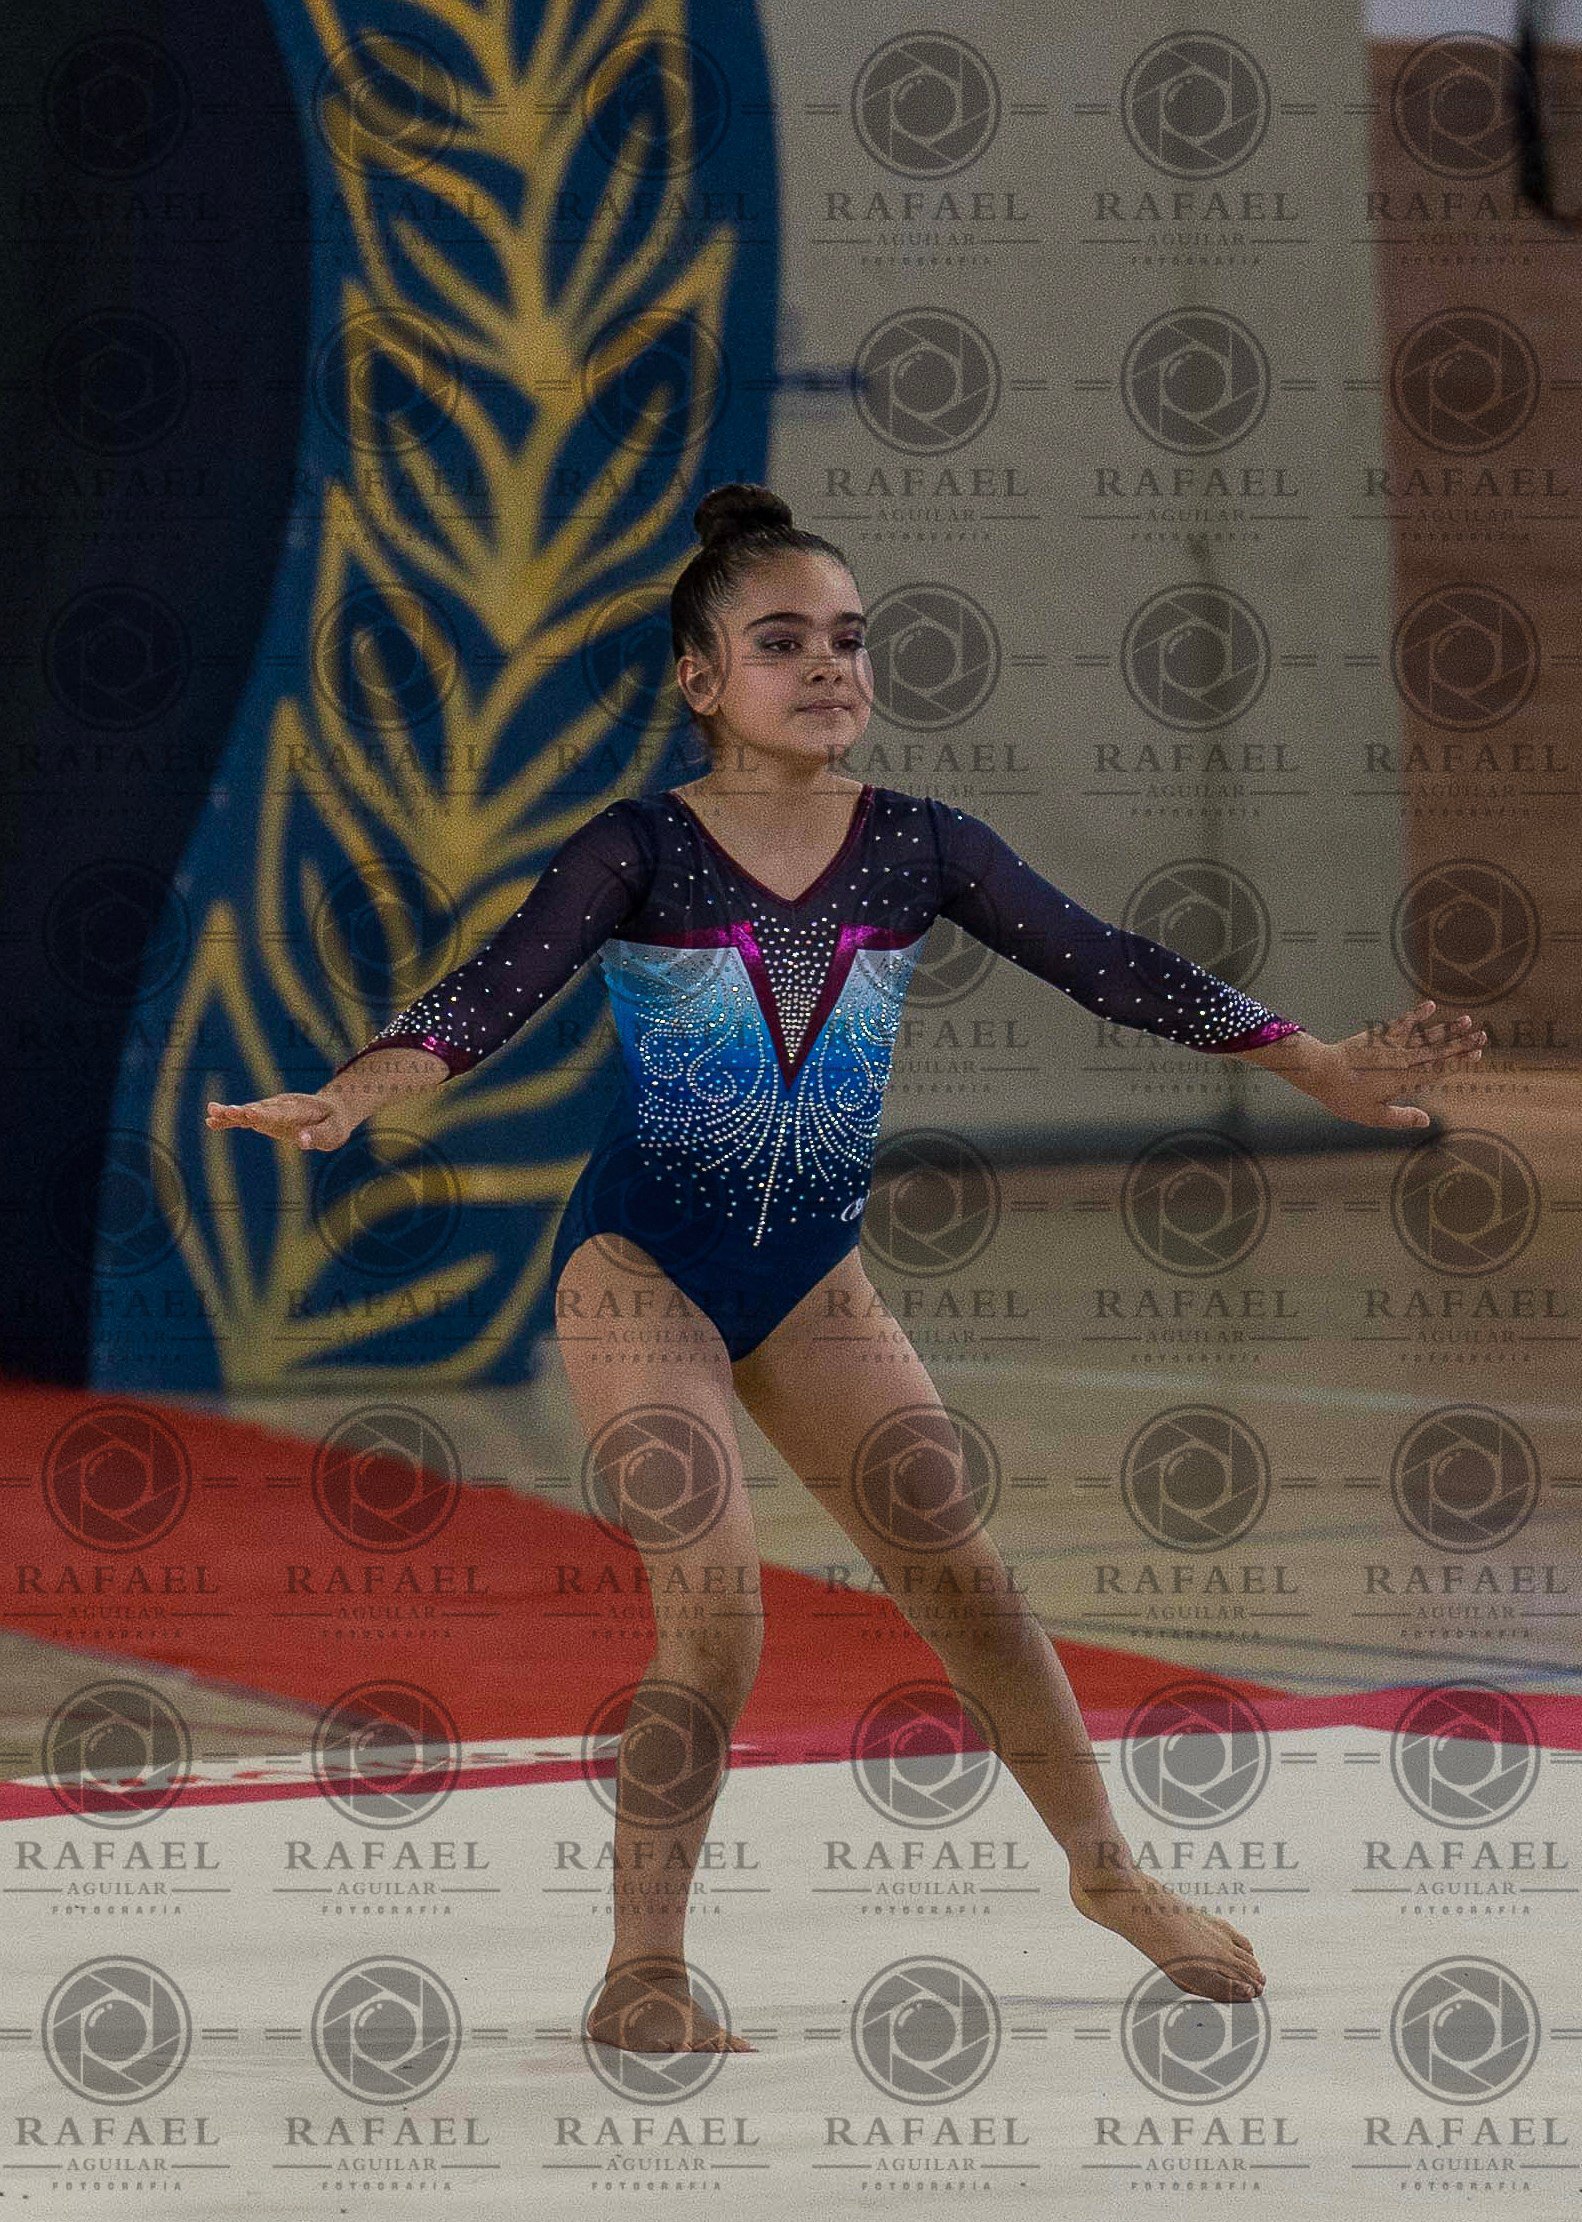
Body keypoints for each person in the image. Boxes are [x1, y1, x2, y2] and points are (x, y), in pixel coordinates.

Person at [209, 482, 1486, 2054]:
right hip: (643, 1271)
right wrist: (355, 1091)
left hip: (812, 1275)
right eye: (779, 641)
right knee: (718, 1616)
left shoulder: (917, 846)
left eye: (848, 638)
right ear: (700, 678)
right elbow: (489, 993)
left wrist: (1318, 1063)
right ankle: (641, 1970)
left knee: (969, 1578)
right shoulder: (640, 848)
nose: (826, 665)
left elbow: (1112, 964)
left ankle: (1106, 1871)